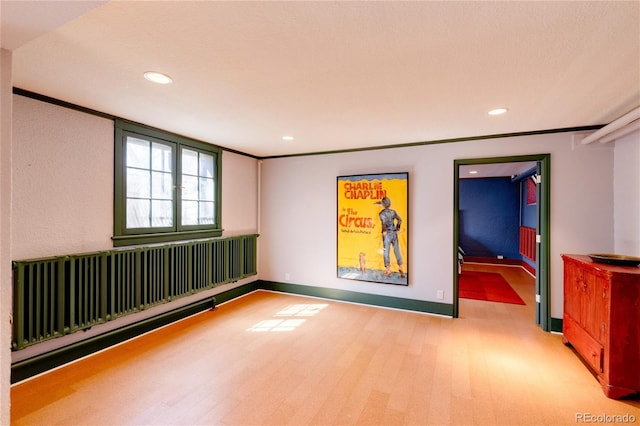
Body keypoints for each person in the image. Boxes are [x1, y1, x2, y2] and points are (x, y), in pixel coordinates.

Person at [377, 196, 405, 278]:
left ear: (383, 204)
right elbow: (400, 220)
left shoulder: (381, 213)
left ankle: (388, 270)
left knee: (386, 252)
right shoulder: (393, 212)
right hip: (394, 233)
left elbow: (384, 223)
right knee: (397, 250)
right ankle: (401, 268)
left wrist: (384, 231)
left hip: (387, 234)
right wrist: (397, 228)